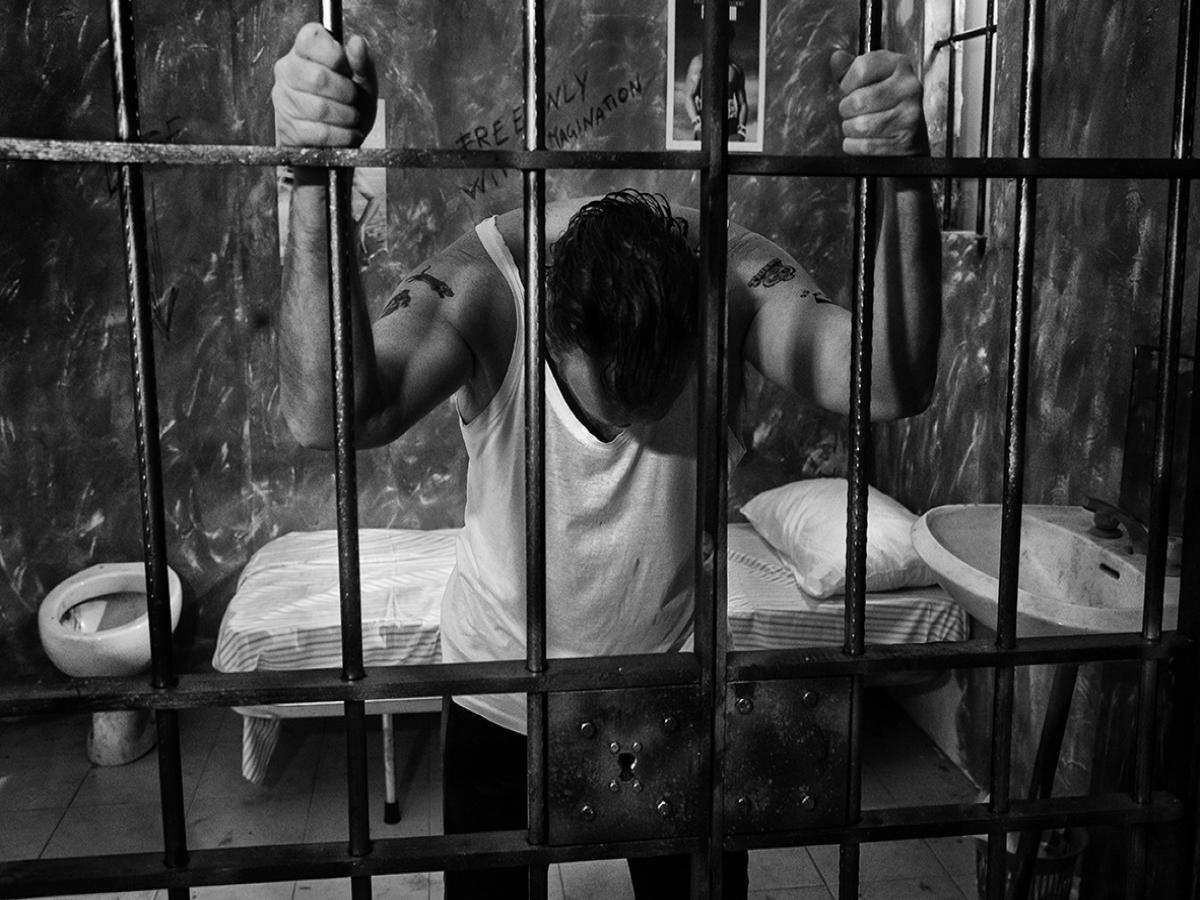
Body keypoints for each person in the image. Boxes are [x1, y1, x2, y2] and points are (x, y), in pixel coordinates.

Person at [271, 22, 940, 900]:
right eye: (606, 411)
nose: (627, 434)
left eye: (652, 410)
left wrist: (904, 177)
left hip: (672, 686)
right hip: (501, 690)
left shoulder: (732, 275)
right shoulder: (487, 284)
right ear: (549, 325)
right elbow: (324, 415)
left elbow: (888, 379)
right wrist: (310, 181)